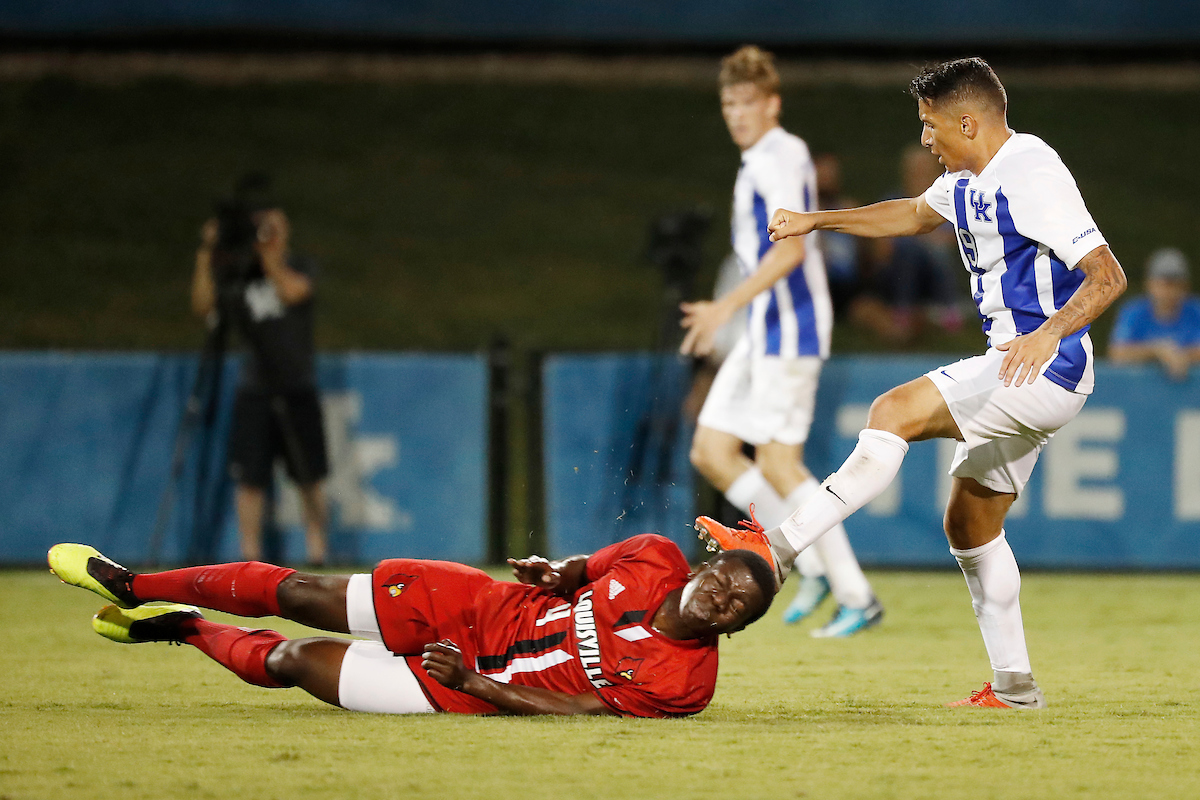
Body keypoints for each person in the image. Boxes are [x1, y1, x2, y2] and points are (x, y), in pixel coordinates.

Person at [696, 57, 1127, 708]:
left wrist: (1049, 333)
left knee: (893, 410)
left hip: (1045, 364)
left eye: (930, 126)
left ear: (966, 119)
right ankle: (1016, 688)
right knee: (970, 523)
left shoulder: (1030, 169)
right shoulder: (965, 181)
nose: (925, 140)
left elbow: (1107, 275)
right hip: (1024, 367)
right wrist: (818, 221)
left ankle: (779, 549)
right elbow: (910, 215)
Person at [46, 535, 775, 718]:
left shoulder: (688, 685)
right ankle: (130, 581)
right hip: (477, 607)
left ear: (737, 626)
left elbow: (579, 707)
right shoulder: (657, 555)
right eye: (725, 578)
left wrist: (475, 682)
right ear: (707, 564)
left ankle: (183, 627)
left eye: (739, 604)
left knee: (293, 661)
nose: (722, 595)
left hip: (459, 683)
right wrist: (559, 572)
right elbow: (589, 569)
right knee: (302, 591)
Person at [680, 45, 883, 637]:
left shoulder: (777, 156)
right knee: (712, 450)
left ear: (772, 104)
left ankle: (853, 592)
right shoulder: (764, 157)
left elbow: (791, 249)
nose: (736, 114)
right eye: (728, 104)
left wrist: (724, 306)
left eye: (747, 103)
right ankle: (810, 562)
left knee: (777, 461)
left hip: (787, 327)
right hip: (763, 329)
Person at [191, 188, 330, 566]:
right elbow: (203, 306)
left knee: (309, 474)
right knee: (250, 476)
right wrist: (207, 253)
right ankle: (249, 555)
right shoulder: (239, 275)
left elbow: (292, 292)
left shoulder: (299, 265)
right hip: (255, 387)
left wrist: (271, 254)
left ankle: (318, 550)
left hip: (297, 383)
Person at [1109, 247, 1200, 380]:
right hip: (1140, 391)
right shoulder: (1133, 312)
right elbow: (1117, 354)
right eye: (1163, 284)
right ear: (1149, 284)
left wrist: (1181, 356)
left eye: (1175, 284)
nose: (1169, 292)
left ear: (1185, 286)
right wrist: (1157, 351)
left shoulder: (1195, 311)